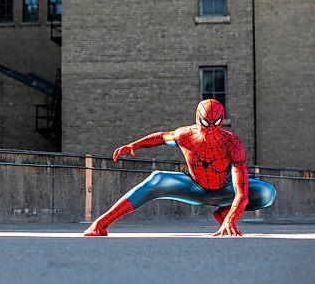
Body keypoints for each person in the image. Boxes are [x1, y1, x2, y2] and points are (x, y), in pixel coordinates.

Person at [84, 99, 276, 237]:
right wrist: (134, 145)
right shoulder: (185, 135)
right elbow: (161, 137)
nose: (209, 129)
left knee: (267, 192)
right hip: (194, 187)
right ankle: (100, 224)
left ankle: (223, 212)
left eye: (215, 123)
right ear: (197, 118)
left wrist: (231, 219)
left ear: (222, 120)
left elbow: (241, 191)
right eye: (205, 123)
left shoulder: (232, 144)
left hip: (225, 189)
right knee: (156, 179)